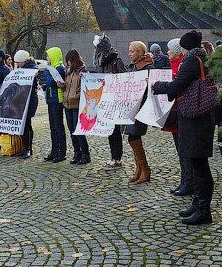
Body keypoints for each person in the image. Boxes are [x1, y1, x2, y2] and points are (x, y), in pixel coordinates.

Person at [152, 30, 215, 225]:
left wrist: (156, 85)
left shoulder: (191, 61)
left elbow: (176, 86)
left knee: (200, 166)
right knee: (196, 163)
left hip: (195, 118)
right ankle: (197, 204)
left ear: (185, 47)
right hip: (197, 118)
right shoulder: (200, 59)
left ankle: (203, 210)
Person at [163, 38, 192, 196]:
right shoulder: (174, 65)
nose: (167, 52)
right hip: (174, 113)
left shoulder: (182, 66)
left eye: (170, 49)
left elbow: (176, 87)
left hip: (180, 111)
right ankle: (185, 180)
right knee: (180, 150)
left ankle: (188, 181)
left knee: (184, 150)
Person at [93, 34, 127, 171]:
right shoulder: (100, 63)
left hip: (114, 100)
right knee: (109, 130)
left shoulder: (116, 61)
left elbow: (125, 78)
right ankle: (113, 156)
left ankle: (117, 158)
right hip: (104, 100)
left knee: (115, 131)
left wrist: (115, 78)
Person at [126, 41, 154, 183]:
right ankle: (140, 168)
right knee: (132, 136)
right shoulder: (133, 68)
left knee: (134, 136)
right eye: (129, 51)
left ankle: (145, 168)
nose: (129, 54)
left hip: (141, 107)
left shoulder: (148, 68)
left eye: (132, 51)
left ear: (140, 52)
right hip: (132, 107)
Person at [58, 49, 90, 165]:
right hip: (67, 104)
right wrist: (61, 86)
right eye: (67, 61)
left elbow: (86, 88)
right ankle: (77, 153)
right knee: (72, 130)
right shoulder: (68, 71)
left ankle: (85, 154)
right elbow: (66, 88)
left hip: (76, 104)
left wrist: (75, 96)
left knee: (78, 131)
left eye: (70, 60)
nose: (68, 63)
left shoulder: (82, 71)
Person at [42, 47, 68, 163]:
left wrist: (47, 72)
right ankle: (54, 150)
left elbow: (51, 82)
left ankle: (61, 152)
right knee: (53, 127)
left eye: (48, 56)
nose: (47, 58)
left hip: (57, 99)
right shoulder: (52, 68)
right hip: (51, 99)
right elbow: (49, 84)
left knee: (58, 126)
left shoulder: (59, 68)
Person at [15, 50, 39, 159]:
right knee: (24, 124)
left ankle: (28, 148)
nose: (18, 65)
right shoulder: (21, 69)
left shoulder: (32, 69)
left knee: (26, 124)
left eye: (19, 62)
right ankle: (26, 147)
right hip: (22, 100)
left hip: (30, 100)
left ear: (24, 61)